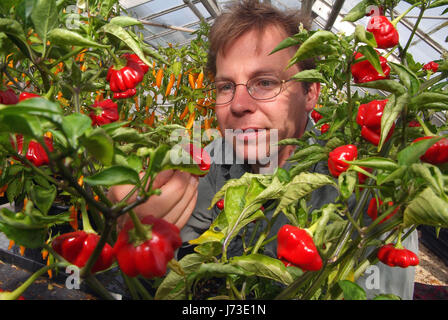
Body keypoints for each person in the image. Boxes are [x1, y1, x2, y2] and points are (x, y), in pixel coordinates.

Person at [108, 0, 418, 300]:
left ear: (311, 92)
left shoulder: (365, 192)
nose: (239, 105)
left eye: (265, 82)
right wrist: (136, 223)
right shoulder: (218, 158)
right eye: (225, 86)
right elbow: (173, 246)